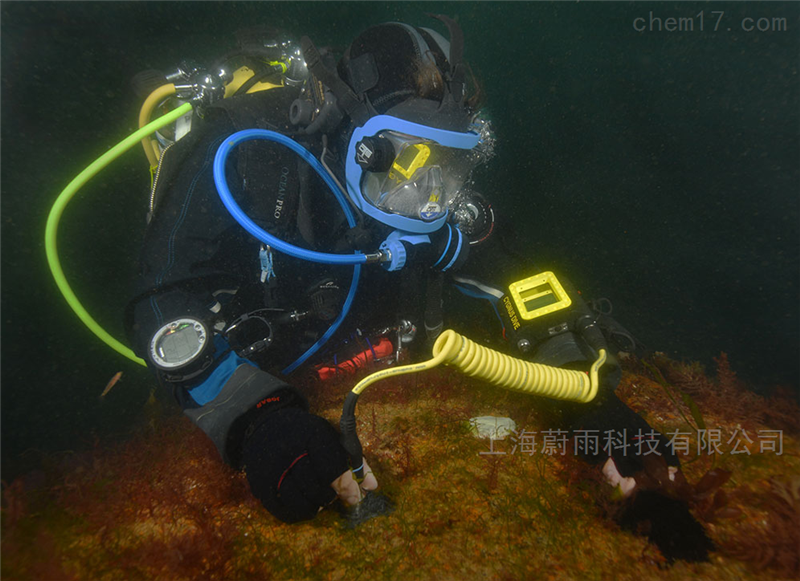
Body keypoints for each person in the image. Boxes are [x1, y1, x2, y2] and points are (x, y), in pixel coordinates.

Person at [124, 16, 711, 560]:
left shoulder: (429, 202)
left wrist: (587, 399)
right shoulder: (242, 152)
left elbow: (513, 275)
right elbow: (162, 298)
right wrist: (256, 419)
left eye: (449, 165)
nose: (428, 197)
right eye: (406, 158)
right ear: (353, 134)